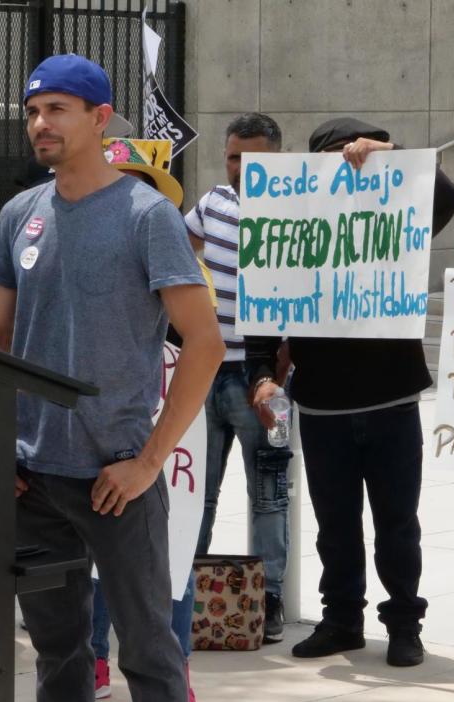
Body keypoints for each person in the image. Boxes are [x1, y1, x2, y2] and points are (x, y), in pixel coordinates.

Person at [0, 54, 223, 702]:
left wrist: (149, 461)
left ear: (99, 117)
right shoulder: (20, 214)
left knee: (149, 655)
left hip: (116, 479)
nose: (40, 123)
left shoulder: (148, 216)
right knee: (59, 655)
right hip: (32, 480)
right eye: (32, 110)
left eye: (57, 109)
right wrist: (1, 450)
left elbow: (203, 343)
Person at [245, 117, 454, 668]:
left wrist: (393, 153)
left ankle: (404, 624)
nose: (350, 167)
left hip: (392, 399)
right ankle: (341, 621)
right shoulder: (294, 226)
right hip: (322, 403)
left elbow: (447, 193)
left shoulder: (399, 217)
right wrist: (264, 371)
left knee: (397, 526)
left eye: (355, 156)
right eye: (335, 159)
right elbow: (268, 302)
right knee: (335, 527)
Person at [90, 139, 208, 702]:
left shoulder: (170, 249)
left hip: (169, 425)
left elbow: (198, 341)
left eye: (137, 182)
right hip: (91, 427)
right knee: (93, 555)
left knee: (173, 556)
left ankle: (174, 664)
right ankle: (92, 657)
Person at [185, 113, 293, 645]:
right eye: (232, 157)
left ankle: (267, 599)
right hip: (201, 371)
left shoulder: (301, 211)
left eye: (253, 159)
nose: (241, 169)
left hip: (264, 382)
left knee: (269, 494)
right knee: (195, 494)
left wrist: (280, 370)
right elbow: (175, 253)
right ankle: (188, 595)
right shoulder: (212, 205)